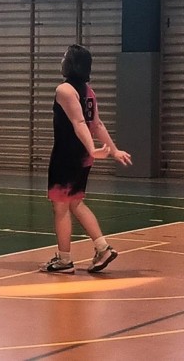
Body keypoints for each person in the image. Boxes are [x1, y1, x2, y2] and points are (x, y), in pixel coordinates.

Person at [43, 44, 132, 274]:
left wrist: (93, 149)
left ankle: (64, 260)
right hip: (82, 157)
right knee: (75, 202)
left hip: (67, 155)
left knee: (60, 207)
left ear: (71, 63)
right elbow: (97, 124)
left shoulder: (64, 90)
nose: (61, 60)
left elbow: (80, 123)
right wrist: (114, 150)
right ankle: (102, 248)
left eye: (64, 57)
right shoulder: (87, 91)